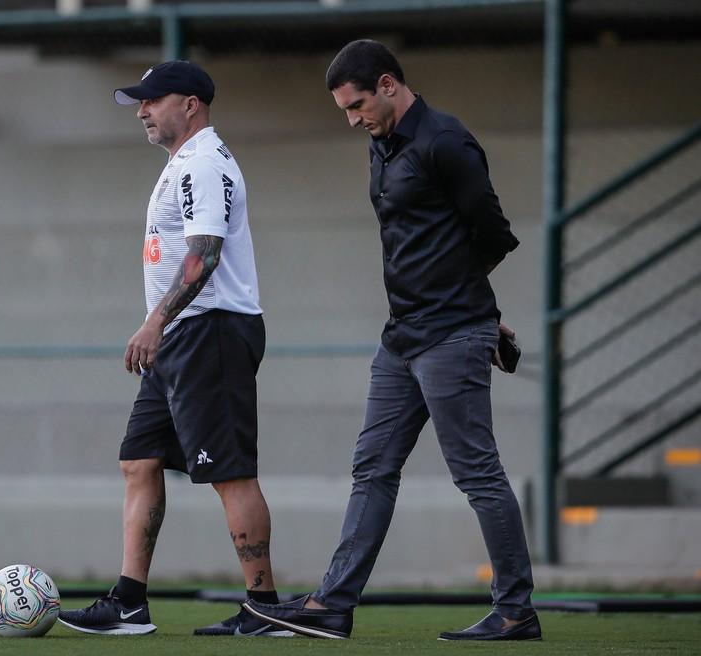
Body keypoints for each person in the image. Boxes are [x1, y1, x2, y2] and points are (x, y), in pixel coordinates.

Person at [243, 40, 541, 641]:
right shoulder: (381, 145)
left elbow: (493, 235)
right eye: (345, 111)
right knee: (372, 469)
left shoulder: (446, 142)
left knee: (476, 473)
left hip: (450, 334)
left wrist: (473, 311)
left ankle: (515, 611)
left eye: (357, 106)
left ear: (387, 84)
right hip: (402, 337)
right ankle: (334, 605)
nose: (353, 119)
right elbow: (420, 242)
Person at [57, 60, 291, 638]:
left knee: (228, 473)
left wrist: (155, 321)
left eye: (152, 99)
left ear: (190, 105)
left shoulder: (204, 163)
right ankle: (129, 602)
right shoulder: (185, 163)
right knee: (138, 461)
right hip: (183, 335)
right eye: (140, 101)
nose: (141, 109)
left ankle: (265, 607)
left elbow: (204, 253)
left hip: (207, 330)